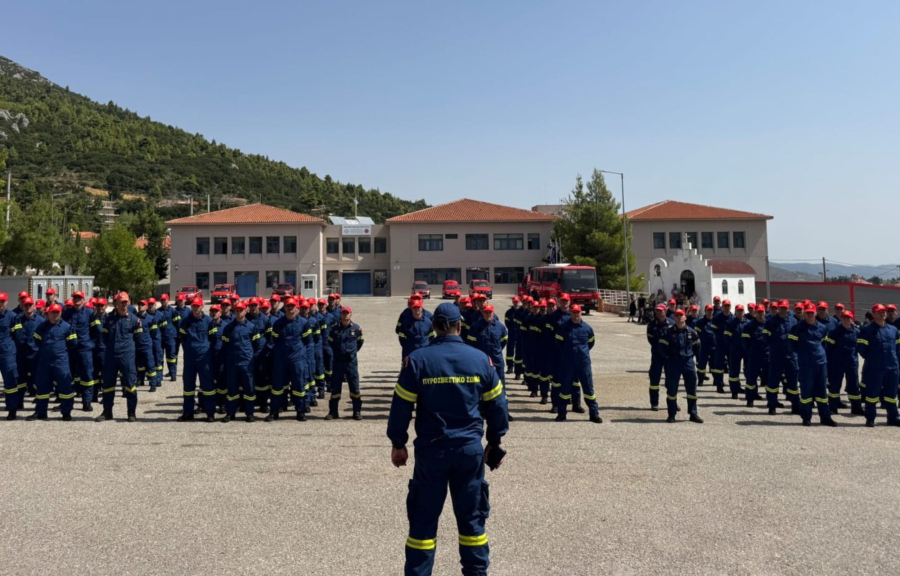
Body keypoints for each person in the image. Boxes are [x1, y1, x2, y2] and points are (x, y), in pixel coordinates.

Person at [387, 302, 508, 576]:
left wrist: (398, 443)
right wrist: (495, 440)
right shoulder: (480, 360)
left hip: (432, 454)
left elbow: (401, 407)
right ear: (460, 326)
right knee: (472, 524)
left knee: (423, 524)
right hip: (468, 452)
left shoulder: (417, 360)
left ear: (433, 327)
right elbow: (498, 407)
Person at [789, 305, 837, 427]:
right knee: (806, 391)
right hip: (806, 364)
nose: (810, 315)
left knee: (822, 391)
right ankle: (806, 417)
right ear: (805, 314)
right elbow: (792, 345)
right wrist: (803, 354)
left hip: (821, 363)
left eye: (812, 313)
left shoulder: (822, 328)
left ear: (815, 314)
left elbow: (825, 343)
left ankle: (825, 417)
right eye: (808, 313)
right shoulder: (797, 328)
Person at [28, 303, 77, 421]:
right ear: (48, 313)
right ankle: (41, 412)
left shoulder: (67, 327)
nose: (55, 314)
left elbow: (73, 343)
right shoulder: (42, 326)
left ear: (61, 313)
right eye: (52, 312)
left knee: (65, 388)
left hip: (61, 362)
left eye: (57, 312)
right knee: (42, 388)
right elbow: (36, 340)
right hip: (44, 362)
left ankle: (66, 412)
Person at [96, 293, 141, 422]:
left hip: (127, 357)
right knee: (108, 385)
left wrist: (131, 353)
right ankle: (107, 412)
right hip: (111, 356)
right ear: (116, 303)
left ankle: (131, 413)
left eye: (126, 302)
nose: (124, 304)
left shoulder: (134, 320)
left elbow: (139, 339)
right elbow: (103, 338)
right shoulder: (108, 320)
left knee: (130, 385)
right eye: (122, 302)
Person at [555, 304, 601, 423]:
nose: (576, 315)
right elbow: (558, 343)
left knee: (588, 389)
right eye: (573, 312)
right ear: (570, 313)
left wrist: (581, 353)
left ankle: (594, 413)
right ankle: (561, 413)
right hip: (568, 363)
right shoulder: (562, 327)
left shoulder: (587, 328)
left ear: (581, 313)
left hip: (583, 363)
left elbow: (591, 343)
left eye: (578, 312)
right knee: (565, 389)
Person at [856, 304, 900, 427]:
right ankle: (870, 418)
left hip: (892, 366)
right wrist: (873, 359)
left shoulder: (893, 330)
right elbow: (862, 349)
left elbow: (897, 347)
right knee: (872, 394)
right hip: (875, 367)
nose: (883, 314)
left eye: (884, 312)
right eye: (879, 312)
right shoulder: (867, 330)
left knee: (891, 395)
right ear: (874, 314)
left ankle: (893, 417)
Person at [468, 303, 513, 422]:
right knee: (480, 389)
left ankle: (504, 412)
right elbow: (471, 345)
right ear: (482, 313)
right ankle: (481, 413)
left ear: (493, 312)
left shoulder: (500, 327)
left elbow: (503, 342)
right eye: (486, 312)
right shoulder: (475, 326)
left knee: (501, 389)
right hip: (481, 364)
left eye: (490, 312)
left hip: (497, 363)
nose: (488, 314)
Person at [660, 309, 703, 423]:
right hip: (674, 363)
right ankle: (671, 414)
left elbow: (697, 348)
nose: (679, 317)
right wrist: (668, 359)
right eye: (677, 315)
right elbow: (662, 348)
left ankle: (693, 414)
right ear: (674, 318)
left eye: (681, 315)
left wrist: (698, 362)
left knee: (692, 390)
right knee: (672, 390)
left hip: (688, 362)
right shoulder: (668, 332)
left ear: (685, 317)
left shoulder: (692, 332)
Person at [270, 297, 310, 421]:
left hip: (297, 359)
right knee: (277, 387)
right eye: (288, 306)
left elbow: (307, 341)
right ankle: (274, 411)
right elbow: (274, 340)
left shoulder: (303, 323)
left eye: (292, 306)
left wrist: (302, 356)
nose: (290, 308)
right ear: (285, 307)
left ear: (296, 307)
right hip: (281, 359)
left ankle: (300, 411)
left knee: (298, 386)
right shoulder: (278, 323)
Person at [221, 300, 261, 422]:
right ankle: (231, 412)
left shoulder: (252, 327)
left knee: (249, 388)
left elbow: (257, 344)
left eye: (241, 310)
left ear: (246, 310)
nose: (239, 313)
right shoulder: (228, 328)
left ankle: (249, 413)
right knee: (232, 388)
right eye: (237, 310)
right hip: (232, 362)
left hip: (246, 362)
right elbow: (225, 344)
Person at [178, 298, 217, 422]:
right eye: (194, 306)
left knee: (208, 386)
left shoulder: (209, 321)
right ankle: (188, 413)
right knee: (188, 387)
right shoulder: (185, 322)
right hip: (190, 358)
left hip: (204, 358)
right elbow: (183, 337)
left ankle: (210, 413)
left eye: (198, 306)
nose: (196, 308)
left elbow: (214, 338)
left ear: (202, 306)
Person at [61, 291, 98, 411]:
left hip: (85, 349)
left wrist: (91, 344)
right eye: (75, 297)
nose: (76, 299)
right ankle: (67, 402)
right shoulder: (67, 313)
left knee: (87, 375)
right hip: (70, 350)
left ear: (83, 299)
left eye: (79, 298)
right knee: (68, 376)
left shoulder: (90, 313)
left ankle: (86, 402)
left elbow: (97, 331)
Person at [327, 307, 364, 420]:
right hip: (338, 361)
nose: (345, 315)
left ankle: (356, 411)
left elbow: (360, 342)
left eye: (347, 313)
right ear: (341, 314)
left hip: (350, 362)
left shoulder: (356, 329)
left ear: (351, 314)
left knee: (354, 387)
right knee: (335, 388)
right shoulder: (334, 329)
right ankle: (333, 412)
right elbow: (331, 342)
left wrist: (351, 352)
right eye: (343, 313)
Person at [824, 310, 862, 415]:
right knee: (835, 385)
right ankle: (833, 407)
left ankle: (856, 407)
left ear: (852, 319)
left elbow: (860, 346)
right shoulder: (834, 332)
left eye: (848, 318)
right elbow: (829, 349)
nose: (846, 320)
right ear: (841, 319)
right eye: (844, 318)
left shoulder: (857, 332)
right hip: (837, 363)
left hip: (852, 362)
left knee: (854, 385)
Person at [765, 300, 798, 414]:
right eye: (781, 308)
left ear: (788, 309)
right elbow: (766, 338)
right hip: (776, 356)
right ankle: (772, 405)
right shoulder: (770, 322)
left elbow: (796, 339)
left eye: (785, 308)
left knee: (793, 382)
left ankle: (795, 405)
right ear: (778, 308)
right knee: (773, 382)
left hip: (791, 356)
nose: (783, 310)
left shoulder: (794, 321)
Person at [646, 304, 673, 410]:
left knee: (671, 380)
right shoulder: (651, 325)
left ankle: (672, 402)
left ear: (665, 311)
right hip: (656, 356)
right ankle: (654, 403)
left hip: (669, 356)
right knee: (654, 380)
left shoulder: (672, 323)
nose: (659, 313)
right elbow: (650, 339)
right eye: (657, 311)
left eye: (661, 311)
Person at [741, 304, 769, 407]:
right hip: (753, 356)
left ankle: (771, 401)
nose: (761, 314)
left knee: (768, 380)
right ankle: (750, 399)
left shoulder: (769, 325)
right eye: (759, 312)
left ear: (765, 312)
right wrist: (750, 353)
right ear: (755, 313)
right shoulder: (749, 326)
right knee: (751, 380)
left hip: (766, 357)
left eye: (762, 312)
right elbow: (745, 342)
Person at [0, 292, 21, 419]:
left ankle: (12, 409)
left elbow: (18, 337)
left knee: (10, 383)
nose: (0, 304)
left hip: (6, 353)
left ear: (7, 302)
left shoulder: (13, 317)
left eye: (3, 301)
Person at [725, 304, 748, 399]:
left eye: (741, 310)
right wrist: (733, 345)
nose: (740, 312)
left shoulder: (748, 323)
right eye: (738, 311)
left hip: (746, 351)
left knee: (748, 371)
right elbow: (726, 337)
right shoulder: (731, 324)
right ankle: (734, 391)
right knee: (734, 372)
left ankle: (750, 391)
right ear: (735, 312)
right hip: (735, 350)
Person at [710, 300, 733, 394]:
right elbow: (714, 330)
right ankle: (719, 384)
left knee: (732, 365)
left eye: (728, 306)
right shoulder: (717, 318)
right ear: (722, 307)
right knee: (719, 366)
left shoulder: (733, 317)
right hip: (720, 344)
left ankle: (734, 386)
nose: (727, 307)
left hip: (731, 345)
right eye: (725, 306)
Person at [157, 294, 178, 381]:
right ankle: (159, 375)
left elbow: (177, 323)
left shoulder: (173, 311)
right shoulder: (158, 311)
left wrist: (174, 334)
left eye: (165, 300)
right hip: (160, 338)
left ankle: (173, 374)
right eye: (162, 300)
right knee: (159, 356)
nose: (163, 301)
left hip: (170, 337)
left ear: (168, 300)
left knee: (171, 357)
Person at [694, 305, 716, 386]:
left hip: (714, 346)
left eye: (711, 310)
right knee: (701, 365)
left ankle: (716, 380)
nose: (710, 312)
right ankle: (700, 380)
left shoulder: (716, 321)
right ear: (705, 311)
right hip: (704, 347)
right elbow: (696, 334)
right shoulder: (700, 322)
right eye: (708, 310)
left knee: (714, 364)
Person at [503, 297, 520, 374]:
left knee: (519, 352)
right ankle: (510, 367)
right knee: (510, 351)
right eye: (515, 302)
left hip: (520, 335)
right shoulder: (509, 312)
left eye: (517, 302)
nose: (516, 303)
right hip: (511, 333)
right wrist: (512, 329)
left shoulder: (521, 312)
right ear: (513, 302)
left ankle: (518, 369)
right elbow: (507, 323)